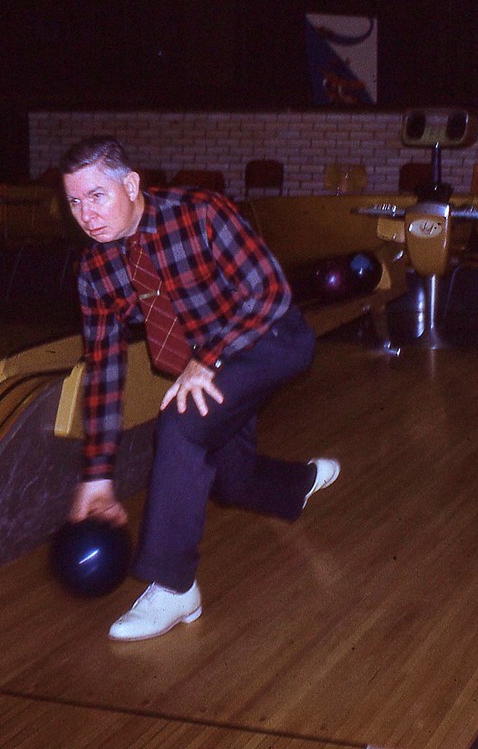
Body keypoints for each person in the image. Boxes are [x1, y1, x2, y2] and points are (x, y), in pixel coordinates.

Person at [60, 135, 339, 641]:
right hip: (208, 362)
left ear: (131, 184)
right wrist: (97, 475)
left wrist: (205, 359)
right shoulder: (95, 270)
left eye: (97, 196)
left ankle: (174, 586)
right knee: (231, 482)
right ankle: (296, 483)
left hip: (271, 338)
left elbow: (271, 291)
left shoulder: (200, 213)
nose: (86, 214)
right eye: (75, 201)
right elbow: (103, 368)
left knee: (182, 425)